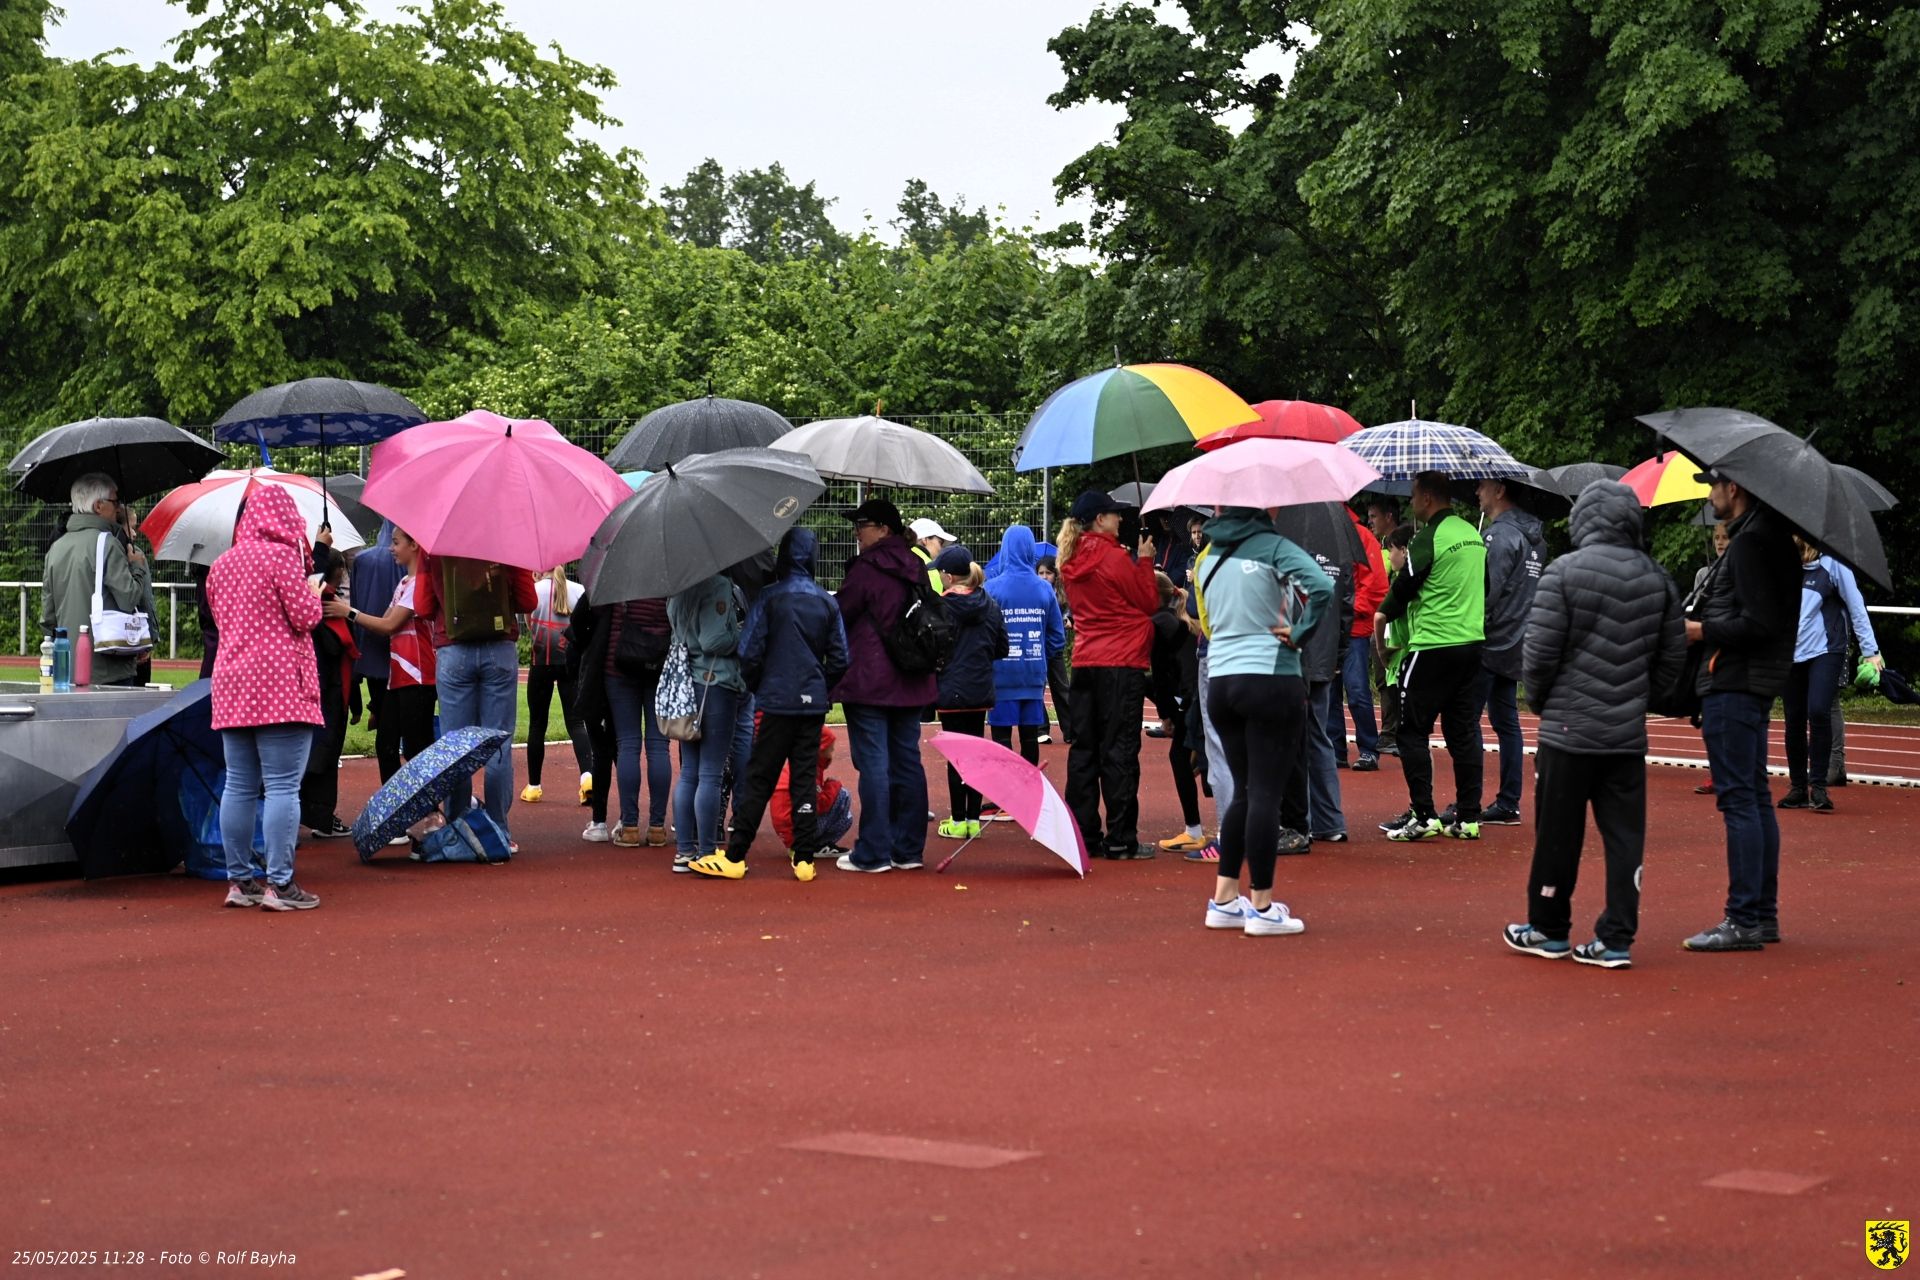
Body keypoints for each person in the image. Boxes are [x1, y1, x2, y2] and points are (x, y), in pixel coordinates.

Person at [1502, 481, 1686, 970]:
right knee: (1625, 838)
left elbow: (1539, 653)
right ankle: (1616, 937)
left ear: (1584, 519)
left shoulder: (1563, 572)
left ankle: (1548, 927)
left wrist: (1542, 701)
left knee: (1557, 835)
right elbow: (1671, 659)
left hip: (1568, 731)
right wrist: (1641, 698)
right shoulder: (1658, 579)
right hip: (1625, 733)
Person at [1193, 506, 1332, 937]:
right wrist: (1300, 632)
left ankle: (1224, 899)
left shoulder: (1208, 557)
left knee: (1244, 791)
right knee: (1267, 793)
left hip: (1222, 680)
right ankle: (1263, 906)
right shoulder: (1274, 547)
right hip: (1270, 675)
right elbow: (1323, 587)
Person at [1682, 467, 1800, 953]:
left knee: (1739, 801)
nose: (1710, 496)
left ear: (1734, 488)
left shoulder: (1750, 544)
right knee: (1754, 797)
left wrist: (1700, 630)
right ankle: (1761, 915)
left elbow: (1757, 623)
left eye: (1713, 485)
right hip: (1751, 681)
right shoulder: (1772, 540)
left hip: (1734, 681)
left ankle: (1744, 917)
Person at [690, 528, 848, 881]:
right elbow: (841, 657)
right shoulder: (826, 601)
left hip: (776, 700)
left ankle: (736, 855)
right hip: (811, 702)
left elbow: (749, 650)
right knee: (804, 778)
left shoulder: (770, 597)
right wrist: (820, 688)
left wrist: (760, 684)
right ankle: (804, 858)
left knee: (760, 776)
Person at [205, 486, 324, 911]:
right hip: (280, 685)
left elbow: (221, 621)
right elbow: (306, 617)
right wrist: (314, 590)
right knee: (282, 787)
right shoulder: (283, 558)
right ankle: (280, 884)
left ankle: (240, 881)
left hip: (232, 684)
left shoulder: (220, 565)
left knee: (238, 784)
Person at [1376, 472, 1488, 841]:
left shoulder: (1428, 538)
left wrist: (1382, 617)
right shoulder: (1473, 535)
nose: (1410, 503)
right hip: (1471, 644)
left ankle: (1424, 815)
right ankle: (1468, 817)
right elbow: (1485, 586)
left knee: (1410, 732)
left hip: (1432, 645)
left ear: (1426, 497)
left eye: (1412, 496)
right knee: (1463, 732)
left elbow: (1403, 588)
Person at [833, 498, 938, 873]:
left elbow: (840, 614)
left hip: (870, 680)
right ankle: (907, 849)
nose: (856, 532)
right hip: (912, 676)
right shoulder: (916, 564)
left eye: (862, 525)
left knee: (874, 764)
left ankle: (873, 851)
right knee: (907, 760)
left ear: (883, 529)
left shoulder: (865, 569)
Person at [1058, 489, 1161, 860]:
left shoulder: (1070, 558)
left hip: (1086, 660)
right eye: (1115, 514)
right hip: (1121, 661)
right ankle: (1120, 838)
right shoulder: (1114, 557)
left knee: (1084, 751)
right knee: (1119, 751)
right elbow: (1148, 601)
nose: (1120, 519)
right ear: (1100, 519)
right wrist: (1145, 561)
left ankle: (1085, 834)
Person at [412, 553, 538, 847]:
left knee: (455, 746)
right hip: (499, 647)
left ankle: (457, 830)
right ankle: (499, 832)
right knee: (498, 744)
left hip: (453, 648)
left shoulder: (433, 547)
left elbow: (423, 606)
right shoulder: (507, 542)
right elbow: (528, 600)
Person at [1778, 536, 1882, 812]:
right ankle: (1798, 788)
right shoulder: (1783, 564)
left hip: (1826, 650)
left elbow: (1856, 607)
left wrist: (1871, 651)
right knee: (1793, 718)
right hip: (1790, 652)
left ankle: (1819, 787)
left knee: (1819, 710)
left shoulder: (1835, 564)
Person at [1464, 478, 1546, 826]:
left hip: (1489, 638)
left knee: (1466, 721)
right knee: (1506, 722)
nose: (1476, 492)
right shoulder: (1537, 539)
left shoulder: (1498, 536)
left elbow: (1486, 592)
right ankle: (1508, 802)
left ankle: (1467, 803)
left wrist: (1469, 630)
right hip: (1517, 639)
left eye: (1482, 486)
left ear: (1499, 490)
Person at [326, 527, 435, 786]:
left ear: (414, 545)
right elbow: (383, 622)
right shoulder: (404, 583)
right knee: (386, 743)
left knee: (416, 747)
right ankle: (394, 804)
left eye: (396, 543)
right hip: (398, 677)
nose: (391, 548)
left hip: (418, 677)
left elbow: (389, 625)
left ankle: (429, 805)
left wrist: (348, 612)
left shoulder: (421, 583)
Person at [41, 472, 152, 688]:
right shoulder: (108, 544)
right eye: (115, 501)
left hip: (67, 667)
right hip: (110, 668)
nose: (118, 508)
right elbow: (129, 598)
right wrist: (137, 567)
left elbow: (48, 618)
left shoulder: (56, 548)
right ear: (99, 506)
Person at [668, 573, 748, 870]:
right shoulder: (718, 585)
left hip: (685, 684)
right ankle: (706, 851)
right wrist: (740, 633)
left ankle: (684, 850)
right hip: (714, 684)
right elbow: (713, 640)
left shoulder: (676, 587)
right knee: (711, 773)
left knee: (689, 771)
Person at [927, 546, 1007, 839]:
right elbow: (1002, 647)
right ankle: (973, 819)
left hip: (950, 689)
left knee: (957, 758)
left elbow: (930, 646)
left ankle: (958, 820)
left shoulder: (941, 607)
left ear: (948, 577)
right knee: (976, 754)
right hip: (979, 689)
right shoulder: (990, 605)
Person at [595, 596, 675, 848]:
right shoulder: (671, 578)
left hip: (621, 663)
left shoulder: (619, 576)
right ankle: (657, 827)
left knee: (628, 744)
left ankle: (629, 826)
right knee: (659, 746)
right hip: (660, 663)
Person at [984, 523, 1066, 766]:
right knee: (1030, 737)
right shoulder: (1044, 588)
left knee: (1001, 737)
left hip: (1001, 674)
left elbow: (984, 634)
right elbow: (1057, 636)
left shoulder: (991, 588)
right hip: (1033, 674)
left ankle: (1004, 785)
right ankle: (1030, 784)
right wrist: (1040, 655)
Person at [521, 566, 594, 807]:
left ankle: (534, 787)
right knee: (576, 723)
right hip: (569, 663)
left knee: (537, 725)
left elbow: (529, 625)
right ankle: (587, 778)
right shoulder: (579, 590)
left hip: (541, 662)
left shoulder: (533, 591)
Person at [300, 541, 358, 840]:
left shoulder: (324, 601)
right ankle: (320, 817)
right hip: (327, 689)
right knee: (322, 754)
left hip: (322, 686)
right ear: (340, 572)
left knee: (314, 753)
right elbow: (341, 648)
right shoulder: (323, 603)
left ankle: (316, 815)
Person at [1149, 571, 1206, 853]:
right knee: (1191, 755)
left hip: (1192, 695)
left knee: (1180, 756)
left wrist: (1167, 715)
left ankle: (1194, 831)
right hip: (1196, 692)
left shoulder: (1158, 623)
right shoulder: (1177, 619)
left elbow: (1161, 675)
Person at [1332, 504, 1387, 771]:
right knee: (1329, 692)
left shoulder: (1362, 537)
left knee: (1356, 691)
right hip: (1330, 627)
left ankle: (1368, 749)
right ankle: (1336, 750)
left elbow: (1375, 584)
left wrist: (1346, 609)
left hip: (1352, 627)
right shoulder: (1322, 536)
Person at [347, 521, 403, 767]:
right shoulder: (411, 564)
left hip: (370, 647)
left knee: (385, 725)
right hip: (404, 655)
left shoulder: (362, 560)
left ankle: (375, 710)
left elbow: (356, 602)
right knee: (412, 729)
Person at [1688, 520, 1731, 796]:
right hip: (1707, 651)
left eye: (1725, 537)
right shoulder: (1704, 573)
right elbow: (1696, 608)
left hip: (1728, 651)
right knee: (1710, 718)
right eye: (1716, 537)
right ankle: (1716, 772)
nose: (1719, 542)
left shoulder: (1741, 570)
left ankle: (1732, 772)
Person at [1365, 496, 1405, 751]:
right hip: (1382, 621)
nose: (1370, 522)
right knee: (1385, 679)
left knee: (1390, 679)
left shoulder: (1399, 546)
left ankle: (1392, 734)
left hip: (1393, 624)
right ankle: (1391, 732)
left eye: (1374, 516)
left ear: (1389, 517)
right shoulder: (1381, 546)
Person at [1035, 553, 1073, 744]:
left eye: (1048, 573)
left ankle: (1070, 730)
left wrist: (1069, 619)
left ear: (1055, 575)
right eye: (1041, 573)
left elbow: (1071, 611)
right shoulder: (1034, 593)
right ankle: (1040, 729)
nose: (1044, 577)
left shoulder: (1062, 594)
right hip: (1038, 647)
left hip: (1055, 648)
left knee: (1062, 688)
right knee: (1037, 689)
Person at [909, 517, 955, 589]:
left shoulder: (900, 558)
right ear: (924, 540)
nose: (941, 549)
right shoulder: (928, 567)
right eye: (940, 543)